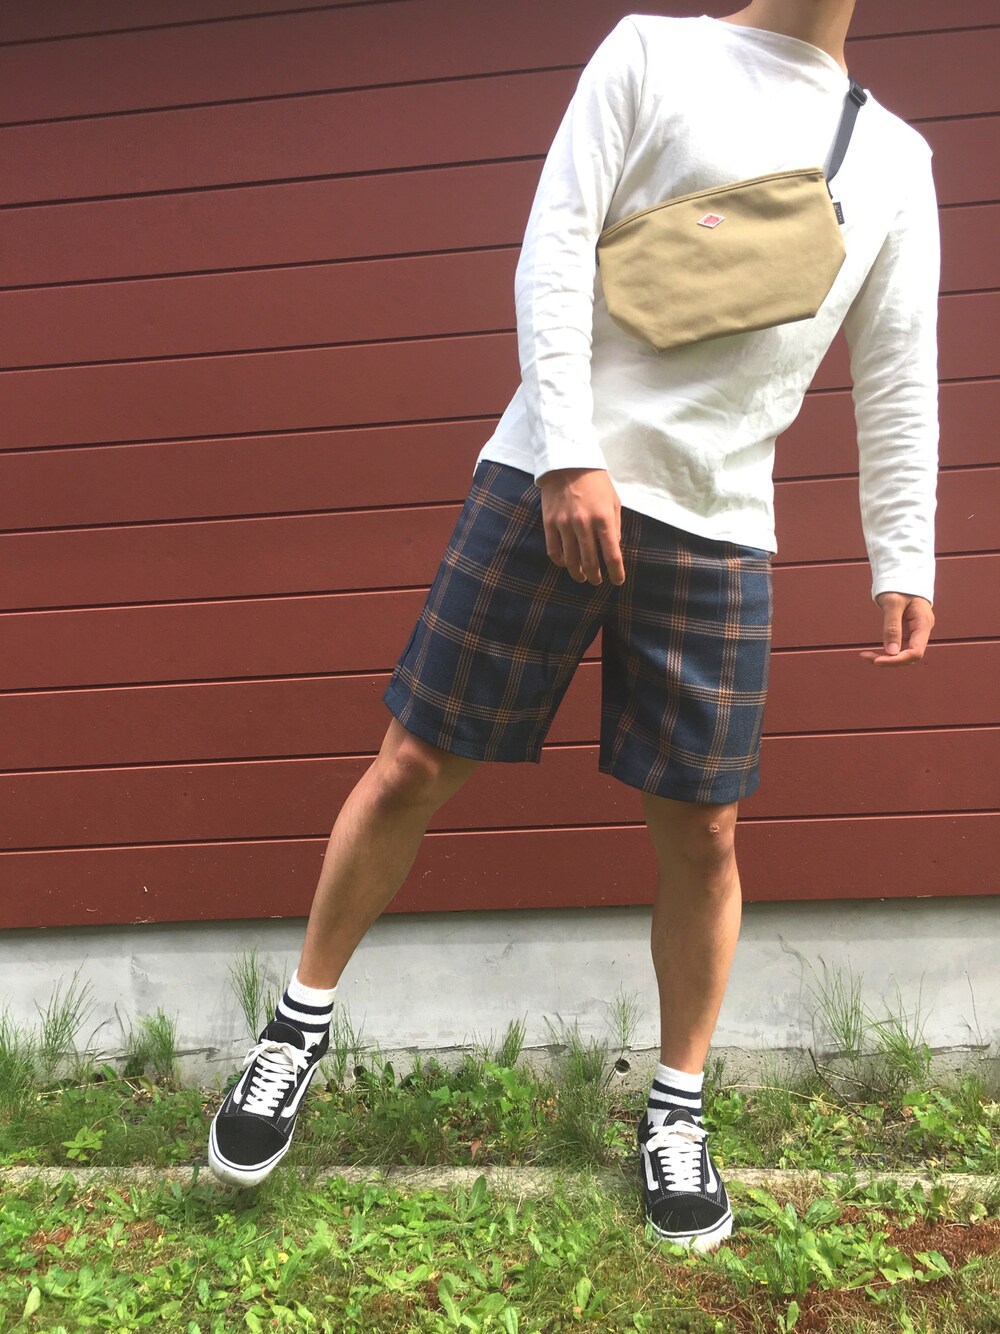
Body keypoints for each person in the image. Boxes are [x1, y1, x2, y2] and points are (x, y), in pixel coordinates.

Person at [207, 0, 939, 1252]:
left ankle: (676, 1107)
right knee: (414, 761)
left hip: (720, 520)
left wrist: (903, 547)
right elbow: (553, 247)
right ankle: (294, 1029)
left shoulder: (892, 155)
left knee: (703, 826)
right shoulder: (653, 51)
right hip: (545, 475)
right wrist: (565, 453)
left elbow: (898, 363)